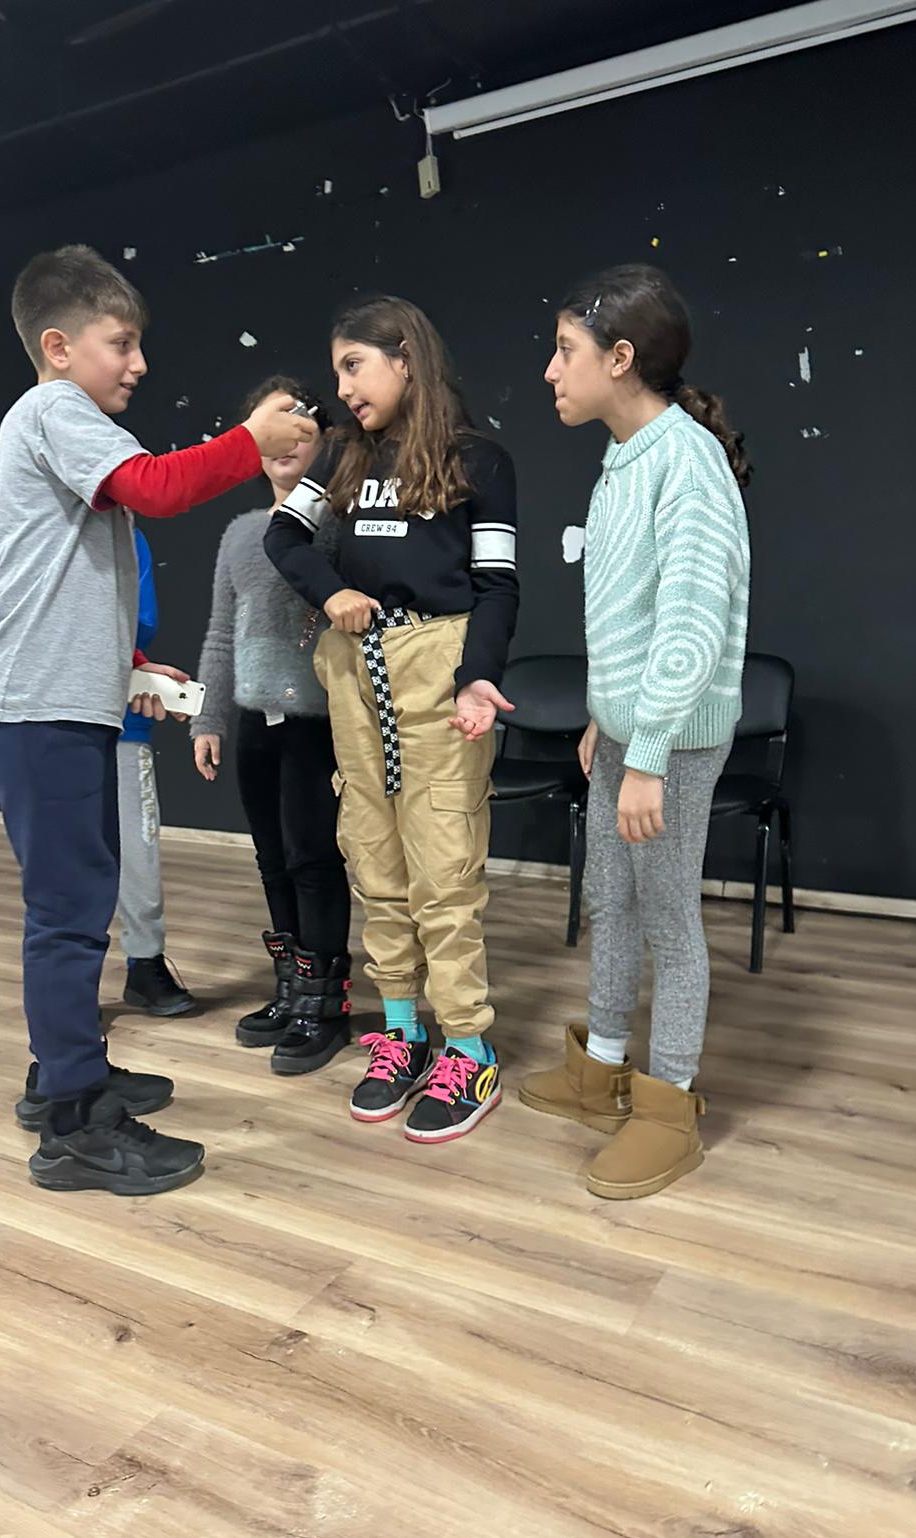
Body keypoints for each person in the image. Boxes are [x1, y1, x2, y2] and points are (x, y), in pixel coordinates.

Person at [0, 242, 315, 1195]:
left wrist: (127, 665)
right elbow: (158, 487)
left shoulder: (57, 424)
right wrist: (252, 439)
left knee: (77, 902)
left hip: (54, 699)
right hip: (33, 708)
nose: (140, 363)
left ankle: (64, 1075)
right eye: (122, 343)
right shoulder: (54, 410)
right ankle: (74, 1126)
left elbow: (59, 579)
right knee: (70, 915)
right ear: (59, 346)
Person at [265, 296, 519, 1144]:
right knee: (373, 858)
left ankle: (469, 1048)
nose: (342, 388)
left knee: (443, 864)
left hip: (438, 666)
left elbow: (498, 586)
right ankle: (403, 1032)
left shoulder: (479, 459)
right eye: (337, 370)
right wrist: (331, 590)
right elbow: (283, 538)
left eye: (354, 366)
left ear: (404, 358)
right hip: (354, 668)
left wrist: (477, 680)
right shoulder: (342, 452)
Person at [521, 263, 751, 1199]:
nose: (550, 370)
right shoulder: (624, 459)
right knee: (610, 902)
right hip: (629, 731)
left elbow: (693, 627)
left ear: (620, 358)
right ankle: (602, 1072)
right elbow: (631, 613)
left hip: (675, 740)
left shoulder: (687, 463)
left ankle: (669, 1107)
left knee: (667, 916)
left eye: (564, 351)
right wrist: (602, 717)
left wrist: (647, 751)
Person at [191, 375, 353, 1075]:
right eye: (271, 428)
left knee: (313, 856)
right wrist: (209, 716)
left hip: (319, 721)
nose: (286, 442)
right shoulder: (240, 535)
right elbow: (221, 634)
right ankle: (291, 990)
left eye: (301, 427)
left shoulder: (339, 527)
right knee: (272, 857)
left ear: (326, 442)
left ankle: (326, 1002)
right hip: (256, 718)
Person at [0, 525, 195, 1018]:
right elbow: (21, 620)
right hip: (47, 719)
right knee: (61, 865)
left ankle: (145, 963)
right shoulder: (10, 536)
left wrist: (128, 665)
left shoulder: (128, 537)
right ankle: (73, 989)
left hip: (120, 718)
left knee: (137, 853)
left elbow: (136, 621)